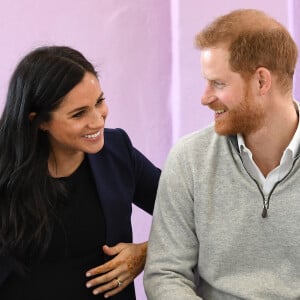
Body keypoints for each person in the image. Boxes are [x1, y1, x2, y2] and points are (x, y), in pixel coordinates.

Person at [144, 8, 300, 299]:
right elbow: (166, 273)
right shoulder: (189, 159)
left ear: (261, 82)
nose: (205, 97)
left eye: (218, 83)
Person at [0, 45, 160, 300]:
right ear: (39, 121)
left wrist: (148, 252)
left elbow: (191, 214)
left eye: (99, 102)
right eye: (78, 114)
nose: (97, 120)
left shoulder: (117, 151)